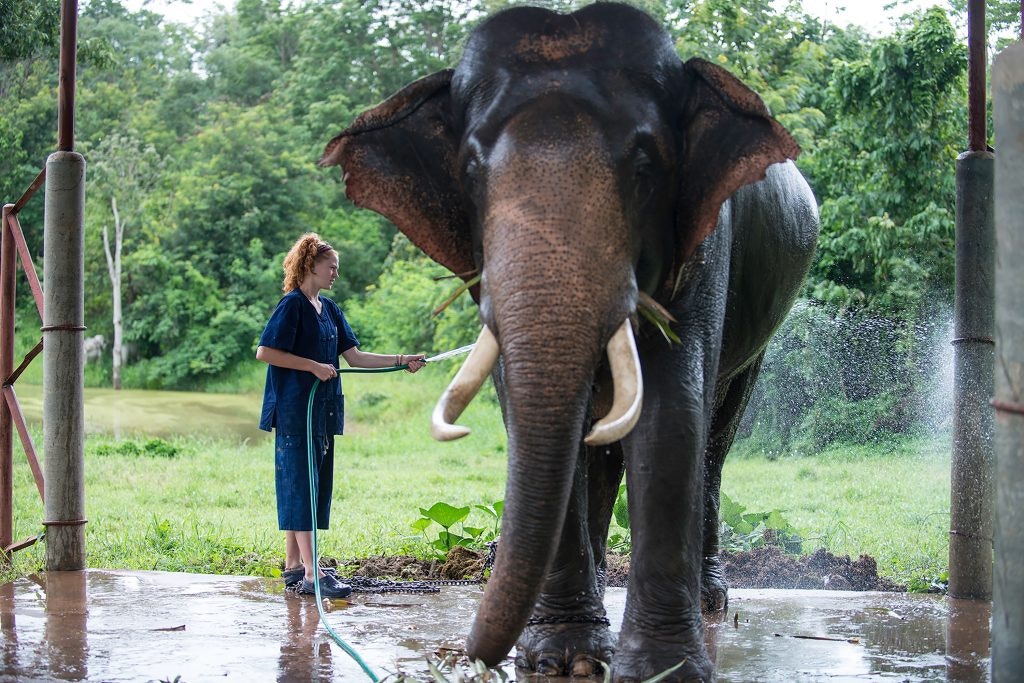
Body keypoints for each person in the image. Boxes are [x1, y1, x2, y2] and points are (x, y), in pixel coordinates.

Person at [256, 233, 425, 598]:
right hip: (295, 413)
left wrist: (402, 361)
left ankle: (294, 567)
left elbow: (356, 357)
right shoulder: (292, 306)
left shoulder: (329, 309)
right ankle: (313, 575)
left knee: (309, 488)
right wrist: (313, 366)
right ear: (310, 265)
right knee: (302, 491)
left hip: (321, 412)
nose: (335, 273)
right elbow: (265, 351)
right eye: (330, 266)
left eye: (337, 268)